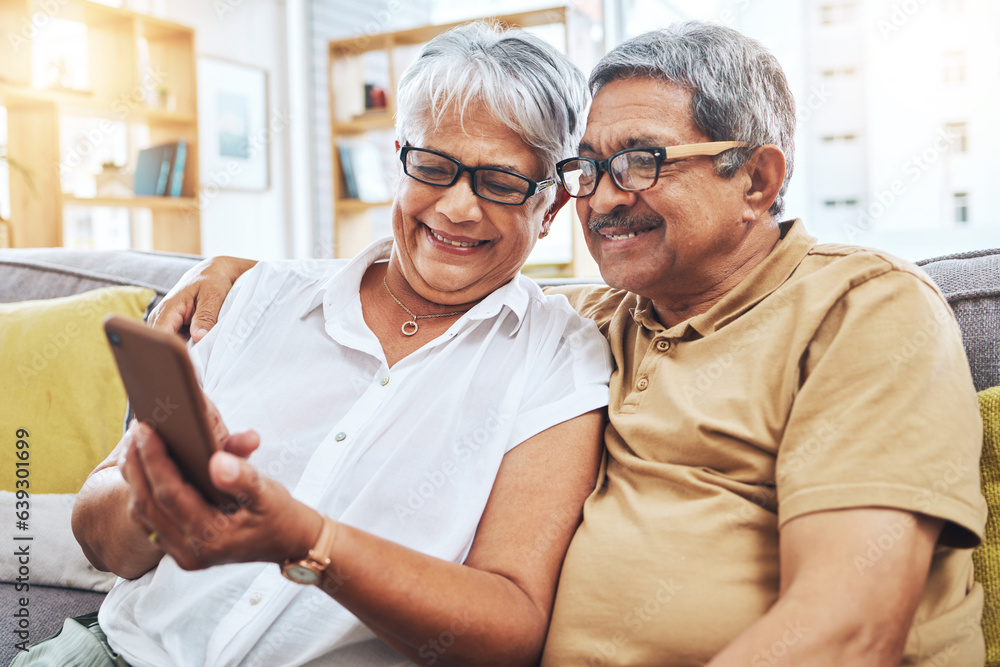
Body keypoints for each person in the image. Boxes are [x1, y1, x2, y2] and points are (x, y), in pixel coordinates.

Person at [150, 21, 987, 667]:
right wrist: (245, 275)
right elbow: (444, 272)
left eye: (640, 161)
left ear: (757, 180)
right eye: (587, 169)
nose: (601, 199)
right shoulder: (600, 321)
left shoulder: (863, 308)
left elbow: (847, 628)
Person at [25, 22, 614, 667]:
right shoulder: (253, 296)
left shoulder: (559, 357)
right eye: (433, 167)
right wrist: (154, 501)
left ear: (552, 204)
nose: (457, 208)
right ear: (399, 158)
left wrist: (309, 542)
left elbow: (509, 628)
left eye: (499, 183)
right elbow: (98, 534)